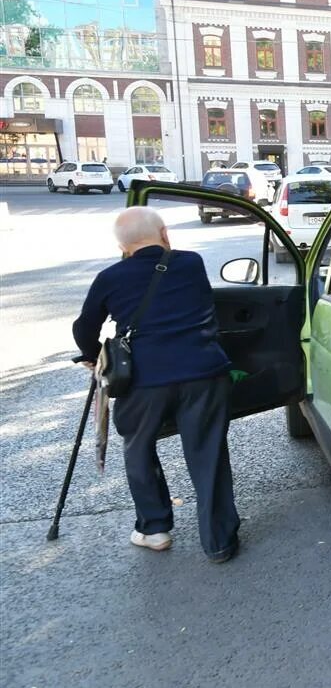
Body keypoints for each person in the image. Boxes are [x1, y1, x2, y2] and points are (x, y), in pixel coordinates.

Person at [73, 207, 240, 563]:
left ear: (122, 246)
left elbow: (84, 327)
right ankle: (219, 542)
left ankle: (155, 529)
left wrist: (91, 355)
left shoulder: (110, 277)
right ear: (165, 233)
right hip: (203, 373)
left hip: (143, 380)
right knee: (207, 454)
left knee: (138, 447)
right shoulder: (191, 263)